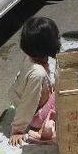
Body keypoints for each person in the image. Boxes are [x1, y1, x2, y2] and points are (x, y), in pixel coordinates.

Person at [8, 16, 61, 146]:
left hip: (33, 104)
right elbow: (28, 102)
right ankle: (45, 129)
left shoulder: (30, 58)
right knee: (65, 88)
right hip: (36, 117)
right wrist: (18, 129)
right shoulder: (37, 73)